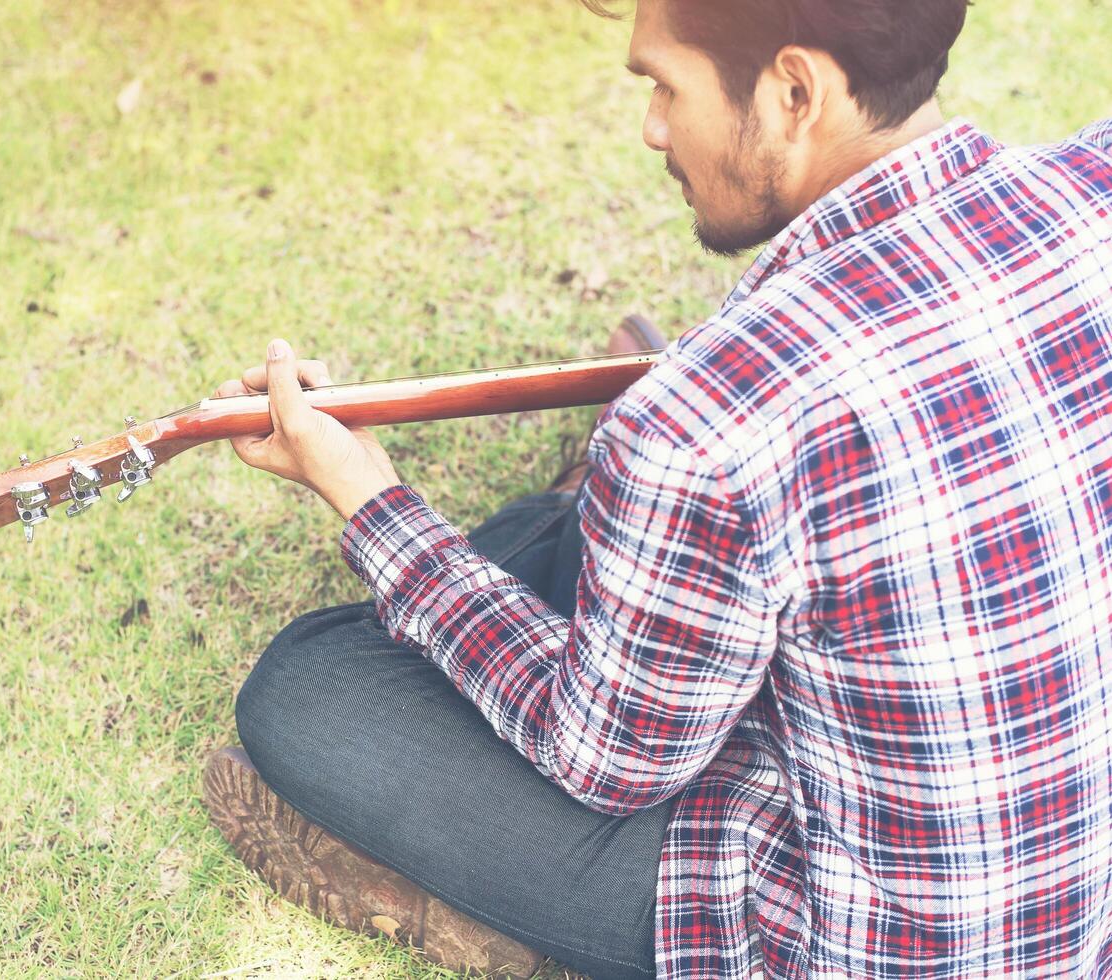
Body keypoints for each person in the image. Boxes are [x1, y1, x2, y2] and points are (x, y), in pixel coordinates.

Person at [201, 0, 1112, 976]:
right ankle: (613, 538)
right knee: (606, 534)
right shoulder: (1090, 185)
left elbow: (603, 759)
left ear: (793, 92)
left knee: (309, 684)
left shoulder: (700, 423)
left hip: (842, 941)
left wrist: (367, 495)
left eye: (661, 85)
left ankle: (595, 552)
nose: (648, 126)